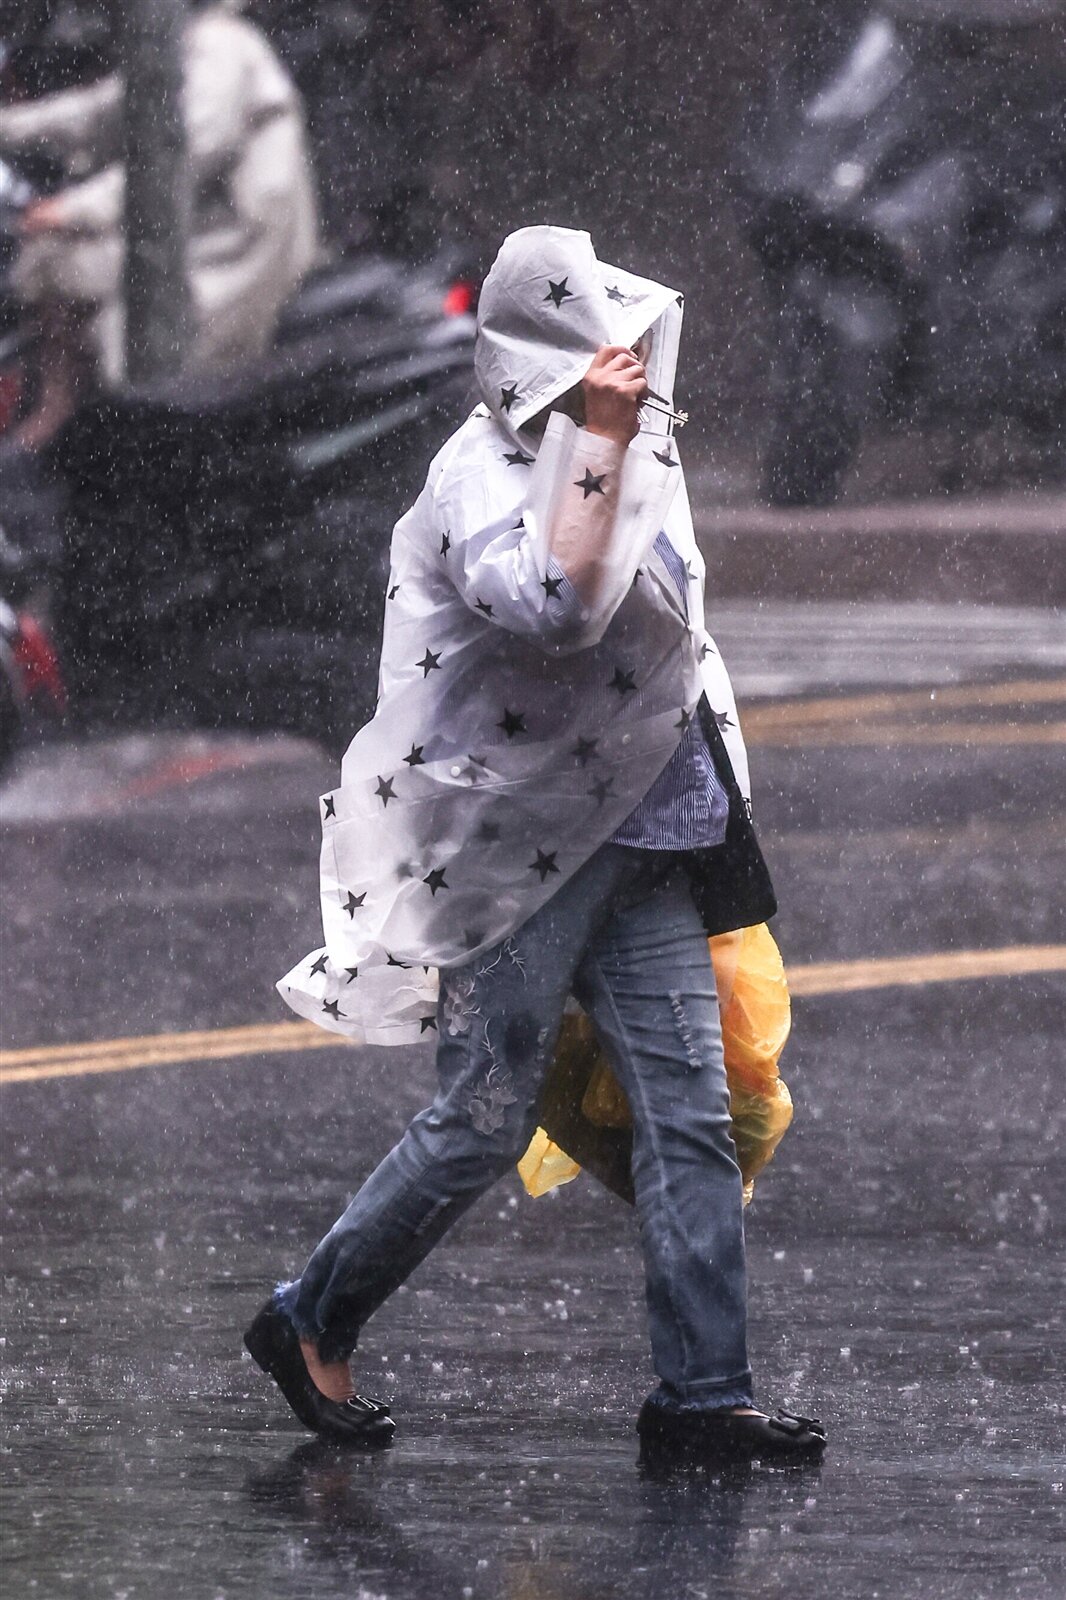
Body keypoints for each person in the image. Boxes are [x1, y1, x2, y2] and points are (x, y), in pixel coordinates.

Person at [244, 225, 827, 1466]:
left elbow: (674, 632)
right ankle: (310, 1317)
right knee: (482, 1118)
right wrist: (600, 445)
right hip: (519, 849)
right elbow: (557, 609)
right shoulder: (480, 475)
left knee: (690, 1115)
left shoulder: (629, 441)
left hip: (653, 827)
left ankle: (701, 1394)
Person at [0, 1, 317, 450]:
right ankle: (72, 418)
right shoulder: (180, 44)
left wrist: (76, 209)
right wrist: (10, 127)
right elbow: (101, 111)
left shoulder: (221, 45)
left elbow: (182, 152)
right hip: (197, 234)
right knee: (56, 260)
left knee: (70, 273)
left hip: (231, 247)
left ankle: (74, 420)